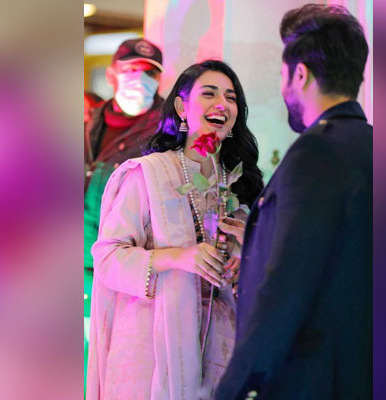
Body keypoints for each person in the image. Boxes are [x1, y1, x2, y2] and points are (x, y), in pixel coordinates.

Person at [214, 5, 372, 399]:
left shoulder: (317, 152)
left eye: (283, 74)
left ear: (299, 74)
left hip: (314, 380)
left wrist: (235, 386)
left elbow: (286, 285)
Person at [86, 60, 264, 400]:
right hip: (150, 352)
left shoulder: (242, 185)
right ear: (182, 108)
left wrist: (246, 262)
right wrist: (179, 258)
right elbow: (107, 259)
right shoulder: (146, 174)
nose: (222, 104)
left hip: (220, 351)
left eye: (231, 98)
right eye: (209, 94)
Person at [83, 38, 164, 385]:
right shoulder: (89, 121)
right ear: (112, 73)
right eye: (132, 69)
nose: (140, 79)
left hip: (117, 282)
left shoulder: (166, 133)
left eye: (149, 73)